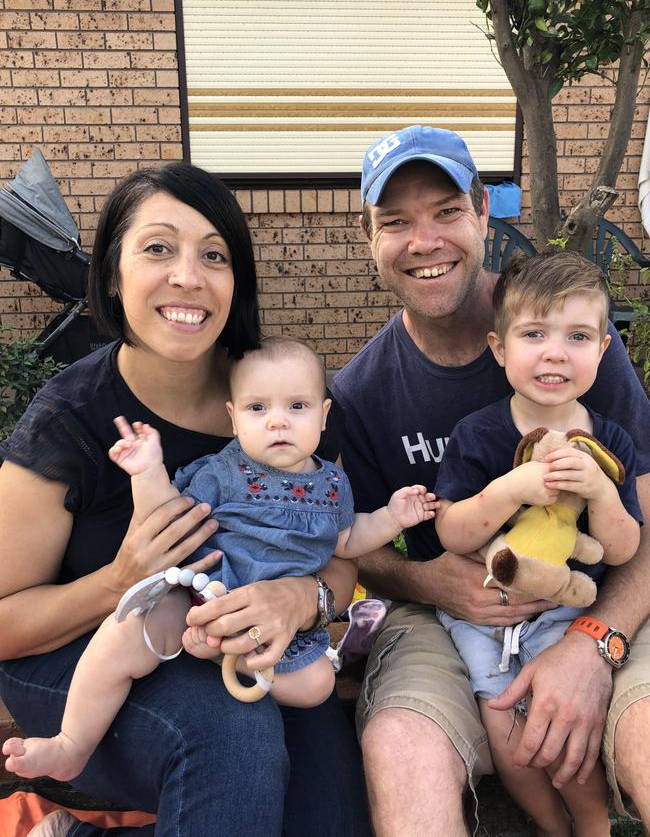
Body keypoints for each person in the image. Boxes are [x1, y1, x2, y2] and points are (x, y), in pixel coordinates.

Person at [0, 163, 372, 837]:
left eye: (214, 255)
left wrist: (305, 598)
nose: (188, 276)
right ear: (112, 273)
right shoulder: (71, 419)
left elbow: (338, 555)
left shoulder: (281, 399)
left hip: (259, 643)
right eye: (158, 248)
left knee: (332, 822)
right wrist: (118, 579)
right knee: (233, 735)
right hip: (82, 659)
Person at [332, 124, 650, 836]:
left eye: (446, 211)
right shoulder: (361, 392)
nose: (425, 240)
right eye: (396, 221)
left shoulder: (564, 337)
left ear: (482, 211)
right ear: (369, 237)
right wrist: (430, 580)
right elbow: (356, 550)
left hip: (596, 597)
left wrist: (596, 641)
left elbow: (647, 525)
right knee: (401, 744)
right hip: (445, 619)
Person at [3, 336, 436, 783]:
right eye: (257, 409)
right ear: (233, 418)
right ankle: (71, 742)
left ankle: (218, 656)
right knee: (123, 635)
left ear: (324, 415)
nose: (277, 423)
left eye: (297, 407)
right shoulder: (222, 473)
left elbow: (347, 540)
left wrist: (391, 517)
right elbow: (167, 515)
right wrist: (147, 471)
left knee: (317, 685)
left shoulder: (332, 485)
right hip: (199, 593)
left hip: (268, 621)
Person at [433, 252, 641, 837]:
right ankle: (550, 825)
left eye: (577, 335)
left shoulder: (611, 439)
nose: (554, 352)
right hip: (482, 617)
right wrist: (506, 490)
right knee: (509, 736)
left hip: (567, 611)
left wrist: (601, 493)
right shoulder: (478, 433)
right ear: (500, 349)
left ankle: (594, 823)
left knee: (567, 732)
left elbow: (624, 549)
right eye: (534, 333)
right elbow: (452, 532)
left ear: (603, 350)